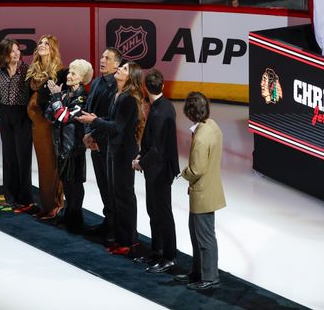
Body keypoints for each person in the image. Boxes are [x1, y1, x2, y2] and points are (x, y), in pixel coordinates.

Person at [77, 61, 146, 256]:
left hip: (124, 153)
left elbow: (118, 127)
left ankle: (129, 240)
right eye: (121, 66)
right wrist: (96, 122)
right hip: (113, 150)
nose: (119, 69)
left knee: (124, 197)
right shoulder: (119, 95)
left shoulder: (129, 99)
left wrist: (94, 121)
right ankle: (119, 236)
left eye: (124, 69)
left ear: (130, 77)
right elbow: (111, 121)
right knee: (115, 196)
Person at [175, 91, 225, 291]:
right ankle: (198, 272)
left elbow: (197, 169)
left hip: (202, 192)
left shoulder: (202, 137)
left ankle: (210, 276)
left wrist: (183, 173)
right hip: (209, 188)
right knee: (197, 235)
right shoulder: (212, 126)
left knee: (204, 237)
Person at [133, 69, 179, 273]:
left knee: (162, 213)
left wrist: (140, 163)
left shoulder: (161, 111)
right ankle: (157, 250)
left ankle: (169, 256)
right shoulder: (163, 105)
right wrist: (142, 157)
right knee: (154, 211)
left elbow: (158, 149)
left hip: (160, 172)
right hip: (156, 169)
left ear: (145, 88)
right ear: (162, 86)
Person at [80, 47, 122, 243]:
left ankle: (116, 226)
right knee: (103, 186)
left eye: (108, 58)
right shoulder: (96, 82)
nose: (102, 60)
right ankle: (108, 220)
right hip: (94, 142)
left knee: (111, 186)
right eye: (102, 57)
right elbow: (88, 110)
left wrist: (93, 134)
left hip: (107, 144)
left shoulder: (117, 86)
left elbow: (111, 118)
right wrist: (88, 134)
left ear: (117, 64)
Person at [46, 58, 93, 232]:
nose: (69, 75)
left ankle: (76, 217)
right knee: (66, 182)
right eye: (70, 71)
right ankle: (68, 214)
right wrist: (58, 103)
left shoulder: (81, 97)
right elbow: (50, 115)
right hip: (61, 145)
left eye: (74, 73)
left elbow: (63, 117)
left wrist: (56, 99)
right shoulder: (65, 92)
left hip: (73, 147)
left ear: (82, 78)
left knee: (74, 184)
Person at [0, 38, 34, 212]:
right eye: (12, 51)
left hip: (22, 114)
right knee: (8, 155)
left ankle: (25, 196)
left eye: (18, 50)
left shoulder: (27, 70)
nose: (16, 53)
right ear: (4, 54)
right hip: (5, 114)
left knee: (23, 156)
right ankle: (10, 193)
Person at [25, 34, 66, 218]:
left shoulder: (58, 72)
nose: (41, 45)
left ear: (53, 49)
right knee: (43, 165)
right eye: (40, 42)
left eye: (46, 44)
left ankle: (55, 204)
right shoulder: (32, 70)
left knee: (52, 165)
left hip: (49, 125)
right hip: (36, 126)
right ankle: (46, 204)